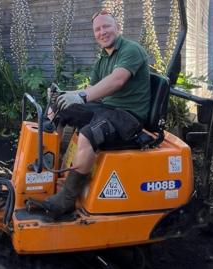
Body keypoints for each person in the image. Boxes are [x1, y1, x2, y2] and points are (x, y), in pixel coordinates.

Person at [30, 10, 151, 218]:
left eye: (106, 27)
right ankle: (47, 170)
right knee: (58, 110)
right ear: (94, 34)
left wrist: (82, 96)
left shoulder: (132, 50)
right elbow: (93, 88)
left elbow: (116, 81)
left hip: (128, 116)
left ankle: (67, 199)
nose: (102, 32)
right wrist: (64, 96)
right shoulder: (103, 58)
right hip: (107, 109)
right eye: (98, 29)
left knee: (87, 134)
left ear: (117, 27)